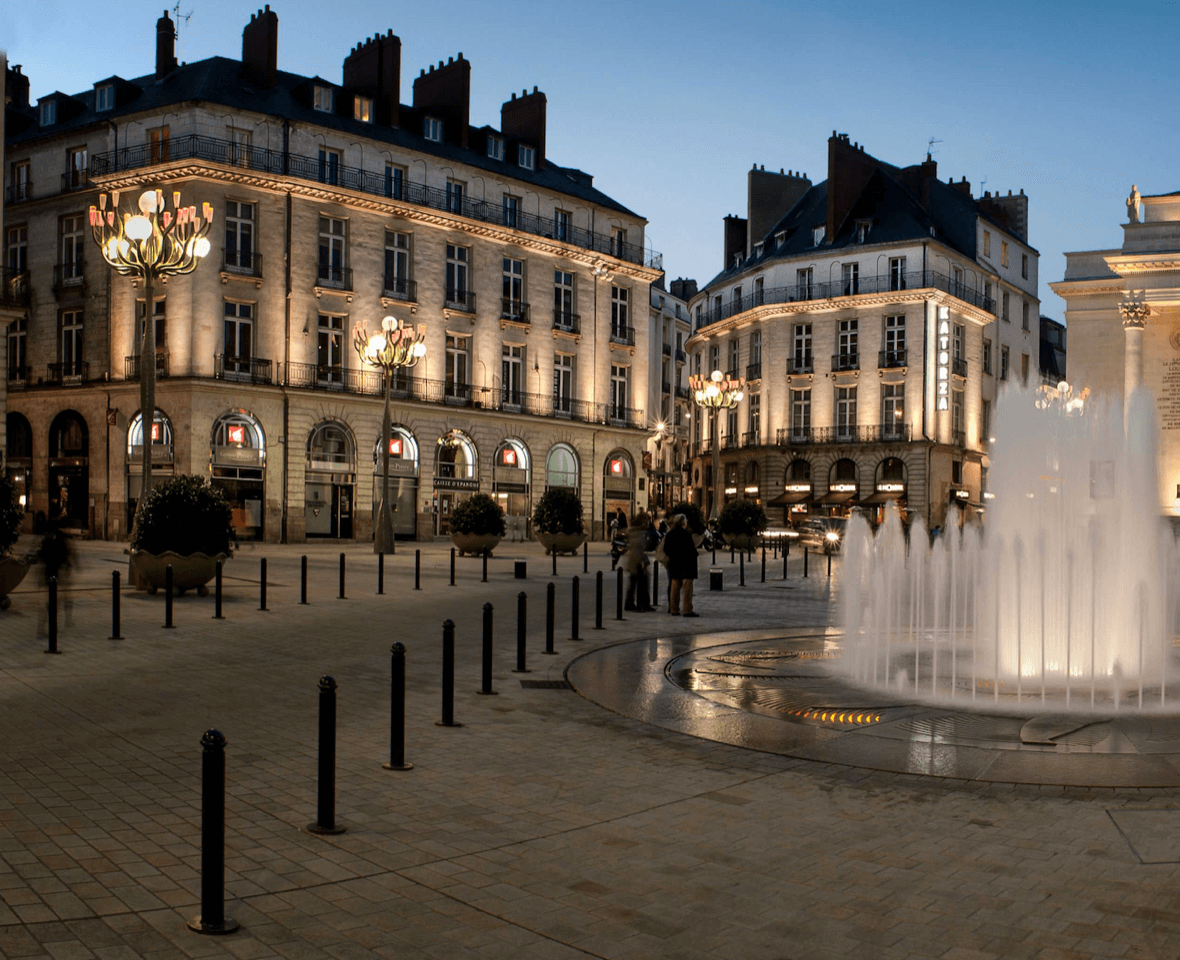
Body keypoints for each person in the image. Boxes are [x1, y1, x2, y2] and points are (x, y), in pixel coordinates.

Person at [663, 514, 699, 617]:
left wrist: (673, 556)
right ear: (683, 523)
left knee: (675, 586)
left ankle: (674, 609)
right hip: (686, 564)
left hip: (674, 563)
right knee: (687, 587)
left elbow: (666, 549)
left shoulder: (670, 534)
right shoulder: (686, 534)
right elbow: (691, 550)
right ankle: (687, 609)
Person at [623, 509, 654, 612]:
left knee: (635, 582)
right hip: (637, 560)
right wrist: (644, 561)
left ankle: (632, 603)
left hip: (635, 558)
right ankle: (641, 604)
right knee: (641, 582)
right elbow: (640, 546)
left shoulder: (634, 530)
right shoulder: (639, 532)